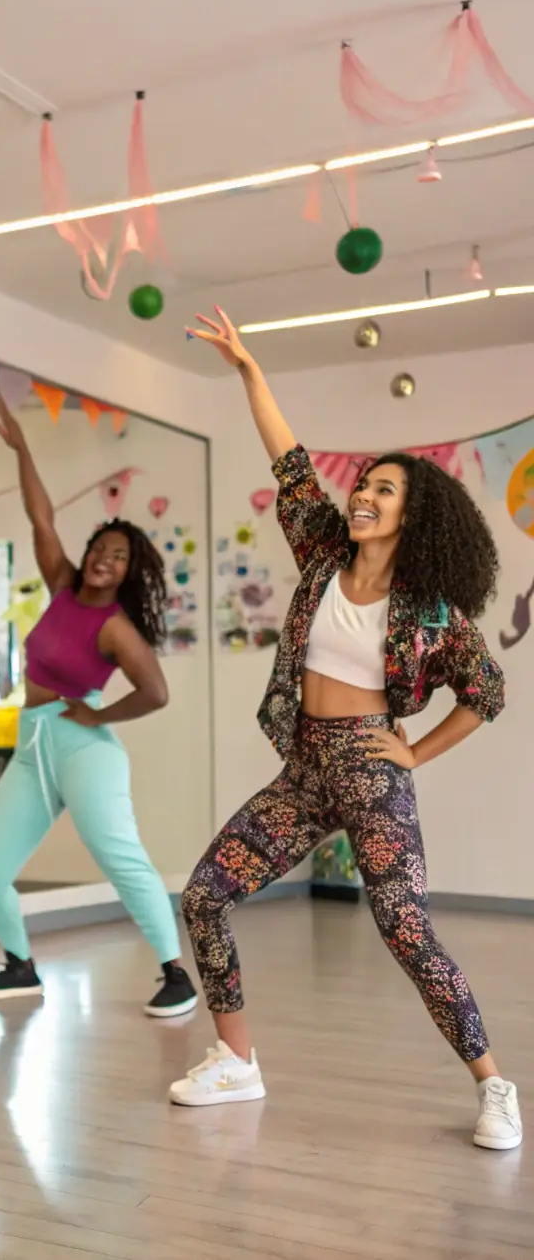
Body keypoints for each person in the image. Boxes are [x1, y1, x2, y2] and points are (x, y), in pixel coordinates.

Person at [171, 307, 521, 1152]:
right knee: (204, 895)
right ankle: (236, 1059)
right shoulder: (322, 554)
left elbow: (487, 691)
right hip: (305, 768)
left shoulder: (431, 610)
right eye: (363, 483)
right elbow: (288, 459)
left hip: (370, 769)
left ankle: (495, 1084)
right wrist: (248, 369)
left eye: (383, 488)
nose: (363, 493)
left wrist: (413, 748)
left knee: (405, 929)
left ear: (414, 515)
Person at [0, 394, 198, 1017]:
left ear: (128, 572)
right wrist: (23, 450)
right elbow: (40, 516)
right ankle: (19, 966)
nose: (105, 560)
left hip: (83, 749)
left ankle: (176, 973)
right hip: (32, 747)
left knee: (120, 858)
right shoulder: (63, 587)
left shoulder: (118, 628)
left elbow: (156, 692)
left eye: (119, 557)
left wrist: (97, 716)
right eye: (102, 548)